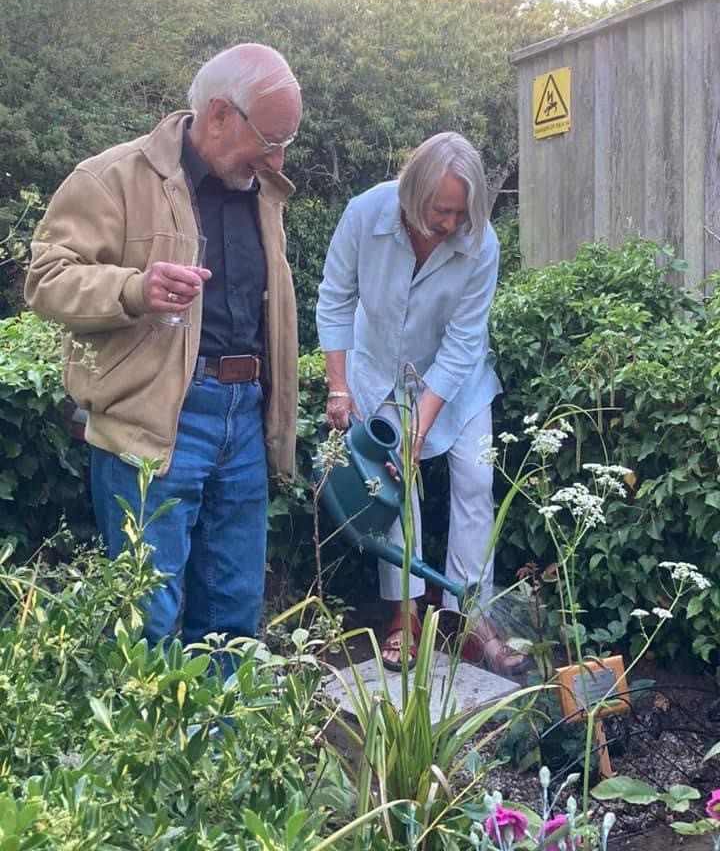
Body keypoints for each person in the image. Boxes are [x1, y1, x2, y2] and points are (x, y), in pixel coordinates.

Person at [25, 43, 301, 660]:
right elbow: (44, 280)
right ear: (222, 114)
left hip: (245, 416)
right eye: (273, 138)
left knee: (233, 619)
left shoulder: (261, 189)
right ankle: (146, 754)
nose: (280, 158)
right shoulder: (111, 177)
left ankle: (220, 752)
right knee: (145, 619)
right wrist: (133, 288)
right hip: (155, 422)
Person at [316, 131, 527, 675]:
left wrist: (422, 424)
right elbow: (335, 299)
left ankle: (469, 617)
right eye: (442, 211)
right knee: (394, 487)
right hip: (379, 374)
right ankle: (404, 617)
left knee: (478, 482)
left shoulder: (481, 242)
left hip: (456, 381)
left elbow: (462, 344)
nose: (452, 224)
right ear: (413, 194)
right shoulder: (366, 214)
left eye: (462, 213)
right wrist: (338, 387)